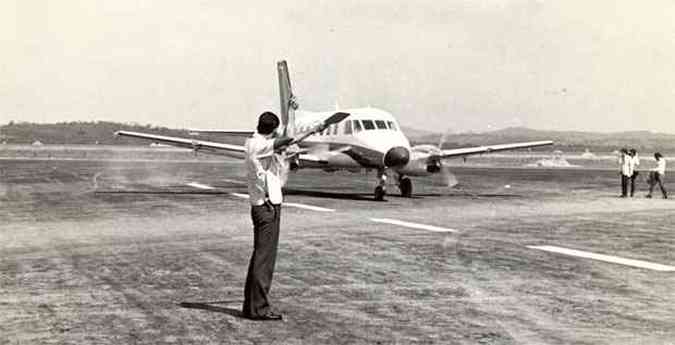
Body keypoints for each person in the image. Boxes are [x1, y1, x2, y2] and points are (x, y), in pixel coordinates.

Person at [241, 112, 294, 321]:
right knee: (264, 260)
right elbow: (286, 140)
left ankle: (251, 306)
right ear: (272, 130)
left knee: (259, 258)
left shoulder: (253, 142)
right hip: (267, 207)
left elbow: (279, 143)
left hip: (262, 205)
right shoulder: (258, 145)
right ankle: (259, 309)